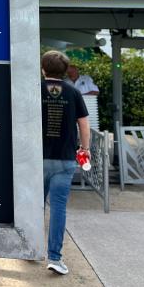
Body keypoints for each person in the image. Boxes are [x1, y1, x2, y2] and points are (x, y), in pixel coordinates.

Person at [40, 50, 90, 275]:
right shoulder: (73, 92)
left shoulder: (34, 90)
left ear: (43, 68)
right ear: (65, 71)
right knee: (58, 208)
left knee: (34, 206)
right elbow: (84, 125)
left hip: (36, 159)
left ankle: (29, 248)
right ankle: (55, 258)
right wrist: (85, 149)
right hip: (65, 159)